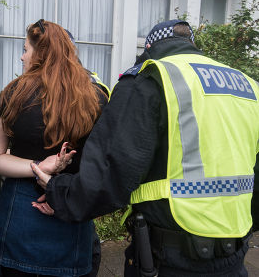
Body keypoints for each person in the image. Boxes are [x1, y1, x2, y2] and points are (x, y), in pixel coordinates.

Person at [32, 20, 259, 276]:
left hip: (171, 257)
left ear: (150, 46)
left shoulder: (152, 77)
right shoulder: (247, 86)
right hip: (235, 256)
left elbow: (112, 170)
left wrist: (59, 192)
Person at [0, 19, 108, 277]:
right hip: (72, 208)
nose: (22, 56)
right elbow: (104, 166)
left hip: (19, 214)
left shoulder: (13, 94)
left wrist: (37, 167)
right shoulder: (97, 98)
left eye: (26, 49)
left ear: (41, 53)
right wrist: (61, 191)